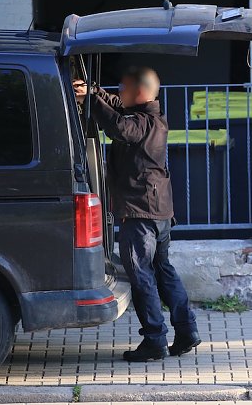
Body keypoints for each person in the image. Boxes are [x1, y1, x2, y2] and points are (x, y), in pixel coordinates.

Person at [73, 67, 199, 362]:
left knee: (141, 275)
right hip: (158, 212)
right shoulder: (153, 116)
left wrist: (92, 102)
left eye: (123, 88)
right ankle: (186, 330)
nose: (118, 93)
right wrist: (93, 91)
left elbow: (118, 126)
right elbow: (117, 109)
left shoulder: (142, 123)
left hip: (140, 214)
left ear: (139, 92)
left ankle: (155, 340)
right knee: (163, 270)